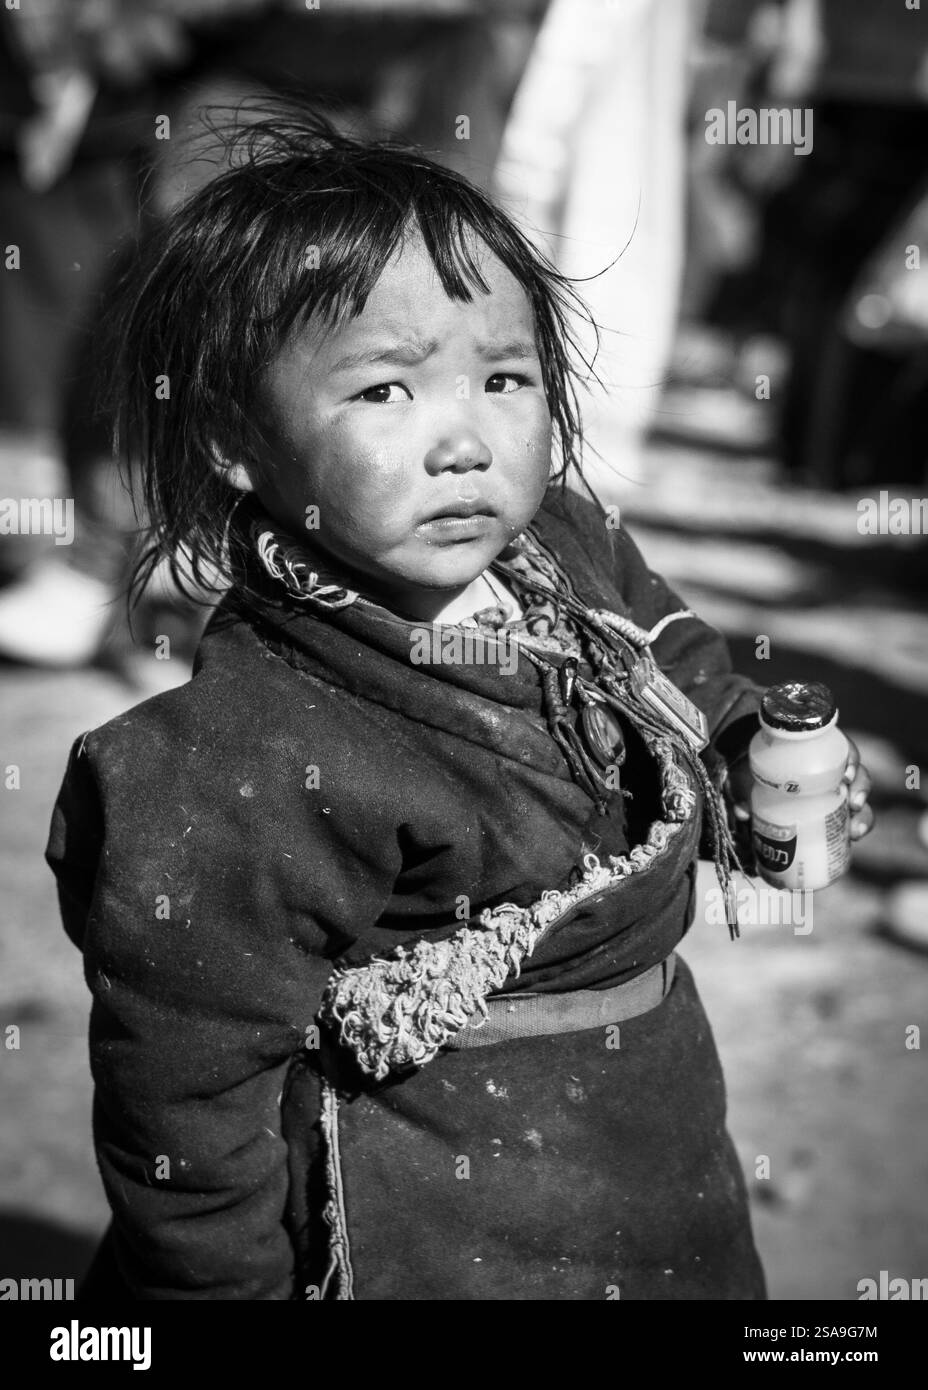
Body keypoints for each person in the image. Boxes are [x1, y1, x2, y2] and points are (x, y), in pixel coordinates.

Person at [45, 109, 874, 1301]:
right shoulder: (242, 757)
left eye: (502, 376)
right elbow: (181, 1100)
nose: (465, 441)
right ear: (234, 438)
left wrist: (746, 744)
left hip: (652, 1152)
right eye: (384, 390)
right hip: (431, 1221)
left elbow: (674, 655)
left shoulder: (566, 549)